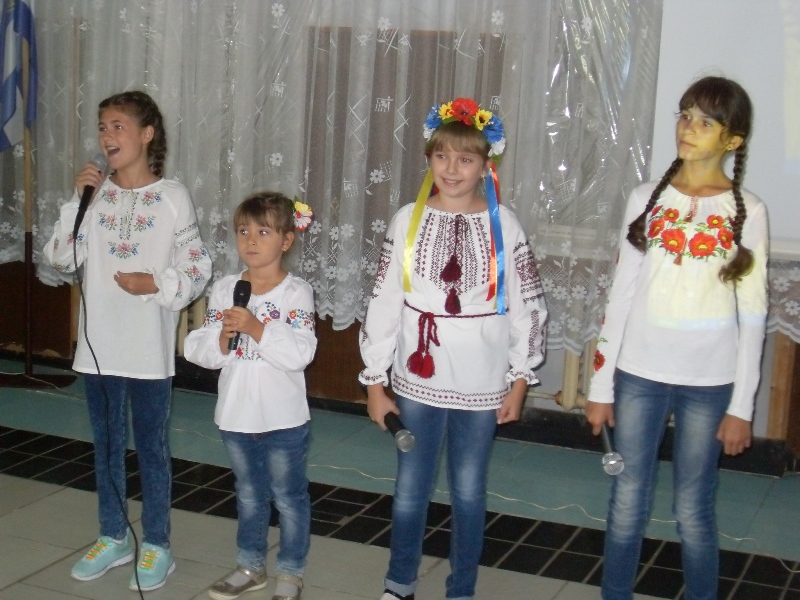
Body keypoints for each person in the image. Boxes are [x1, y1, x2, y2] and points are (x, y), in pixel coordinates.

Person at [586, 76, 769, 600]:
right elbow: (621, 296)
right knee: (627, 502)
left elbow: (753, 314)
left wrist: (741, 407)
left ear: (733, 140)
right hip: (639, 375)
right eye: (685, 115)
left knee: (693, 508)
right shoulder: (645, 198)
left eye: (706, 122)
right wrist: (600, 387)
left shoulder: (748, 210)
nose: (689, 127)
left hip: (710, 384)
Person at [359, 97, 548, 600]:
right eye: (441, 156)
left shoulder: (504, 225)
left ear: (486, 165)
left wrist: (520, 378)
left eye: (465, 159)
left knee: (467, 490)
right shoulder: (408, 220)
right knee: (410, 488)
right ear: (428, 159)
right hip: (418, 379)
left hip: (482, 383)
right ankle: (399, 583)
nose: (452, 169)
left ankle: (461, 588)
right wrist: (375, 381)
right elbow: (383, 303)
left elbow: (527, 307)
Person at [43, 90, 212, 591]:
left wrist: (155, 284)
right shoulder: (94, 197)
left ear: (146, 134)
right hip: (98, 348)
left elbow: (197, 269)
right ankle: (113, 535)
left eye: (118, 126)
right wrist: (77, 199)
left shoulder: (172, 197)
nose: (107, 136)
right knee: (106, 446)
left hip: (147, 351)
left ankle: (157, 543)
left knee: (152, 449)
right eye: (102, 127)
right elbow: (61, 258)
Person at [184, 192, 317, 600]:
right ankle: (250, 565)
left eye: (263, 232)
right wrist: (223, 339)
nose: (251, 241)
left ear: (286, 240)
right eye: (243, 231)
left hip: (284, 418)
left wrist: (258, 328)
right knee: (248, 494)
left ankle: (290, 572)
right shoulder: (226, 289)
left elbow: (301, 354)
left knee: (289, 497)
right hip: (237, 415)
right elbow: (199, 348)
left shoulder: (296, 293)